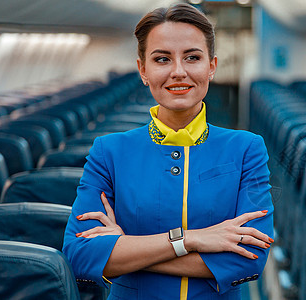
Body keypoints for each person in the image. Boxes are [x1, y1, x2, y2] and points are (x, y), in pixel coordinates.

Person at [62, 4, 274, 299]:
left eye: (192, 58)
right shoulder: (109, 151)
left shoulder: (246, 149)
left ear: (211, 67)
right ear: (143, 70)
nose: (178, 71)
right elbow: (80, 256)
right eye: (162, 59)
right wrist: (190, 240)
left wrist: (126, 251)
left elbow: (247, 258)